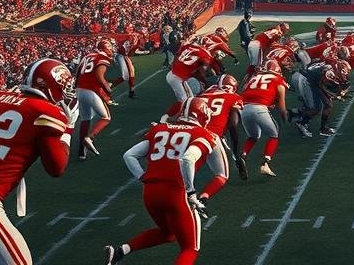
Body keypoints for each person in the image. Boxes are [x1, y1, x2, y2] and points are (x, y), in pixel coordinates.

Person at [0, 59, 74, 265]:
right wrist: (67, 132)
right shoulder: (46, 112)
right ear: (48, 86)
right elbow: (56, 168)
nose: (67, 91)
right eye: (64, 85)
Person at [105, 98, 224, 265]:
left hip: (151, 192)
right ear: (203, 116)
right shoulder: (203, 134)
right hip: (176, 192)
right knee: (190, 248)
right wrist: (190, 191)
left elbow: (129, 155)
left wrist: (143, 177)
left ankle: (119, 251)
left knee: (168, 234)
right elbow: (188, 159)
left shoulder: (159, 129)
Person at [239, 59, 288, 177]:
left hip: (243, 109)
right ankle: (265, 164)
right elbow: (281, 107)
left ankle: (242, 156)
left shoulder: (253, 78)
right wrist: (285, 119)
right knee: (274, 135)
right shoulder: (279, 80)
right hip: (260, 109)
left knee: (253, 136)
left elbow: (244, 91)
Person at [76, 39, 119, 160]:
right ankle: (90, 137)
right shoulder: (102, 58)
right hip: (90, 90)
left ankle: (81, 151)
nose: (111, 49)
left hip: (80, 90)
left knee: (85, 119)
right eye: (110, 47)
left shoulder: (87, 56)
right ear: (105, 47)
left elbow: (78, 73)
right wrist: (107, 89)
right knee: (106, 117)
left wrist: (77, 87)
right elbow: (99, 76)